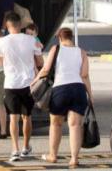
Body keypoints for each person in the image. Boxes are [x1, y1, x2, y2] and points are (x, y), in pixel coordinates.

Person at [34, 28, 92, 168]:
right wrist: (90, 95)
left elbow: (46, 69)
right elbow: (84, 75)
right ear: (71, 37)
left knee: (56, 124)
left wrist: (34, 81)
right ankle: (74, 159)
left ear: (60, 38)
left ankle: (53, 155)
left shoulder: (56, 49)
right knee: (75, 125)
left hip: (61, 89)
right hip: (78, 89)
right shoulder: (82, 52)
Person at [0, 12, 43, 162]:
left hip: (11, 84)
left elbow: (0, 63)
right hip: (28, 83)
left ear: (7, 25)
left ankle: (15, 149)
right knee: (27, 116)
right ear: (20, 25)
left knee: (13, 118)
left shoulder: (2, 42)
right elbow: (40, 61)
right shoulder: (31, 40)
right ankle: (26, 147)